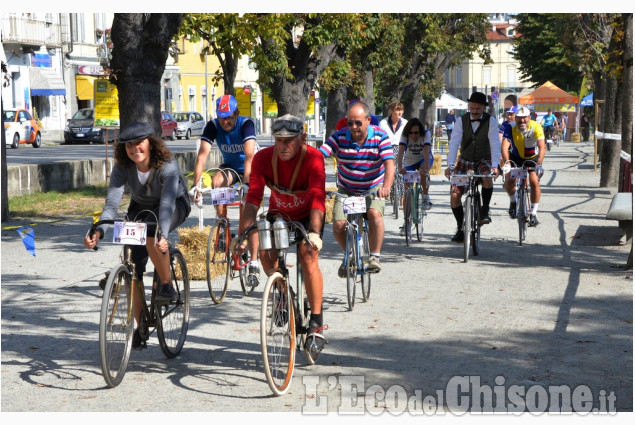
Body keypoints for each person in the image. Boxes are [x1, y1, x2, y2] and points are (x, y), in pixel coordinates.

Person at [84, 121, 191, 348]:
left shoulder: (166, 164)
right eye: (128, 145)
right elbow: (112, 203)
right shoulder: (123, 166)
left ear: (150, 143)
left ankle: (166, 285)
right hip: (141, 205)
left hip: (173, 204)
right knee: (131, 262)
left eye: (139, 143)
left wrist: (163, 232)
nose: (134, 149)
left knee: (152, 234)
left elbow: (167, 202)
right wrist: (99, 230)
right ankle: (141, 324)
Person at [236, 114, 328, 351]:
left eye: (289, 140)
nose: (283, 146)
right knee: (267, 253)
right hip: (281, 214)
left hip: (309, 215)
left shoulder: (314, 158)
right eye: (278, 140)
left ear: (302, 139)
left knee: (308, 255)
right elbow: (253, 197)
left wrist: (315, 232)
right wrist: (243, 235)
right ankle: (281, 291)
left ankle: (316, 322)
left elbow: (318, 195)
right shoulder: (263, 159)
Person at [191, 94, 260, 283]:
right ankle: (223, 225)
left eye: (229, 117)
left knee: (249, 214)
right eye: (222, 117)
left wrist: (246, 184)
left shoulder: (246, 124)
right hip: (230, 168)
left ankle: (253, 261)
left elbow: (249, 157)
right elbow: (202, 157)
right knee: (217, 181)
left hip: (251, 168)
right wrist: (195, 185)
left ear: (236, 113)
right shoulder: (213, 126)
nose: (226, 121)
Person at [320, 100, 394, 273]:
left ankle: (375, 256)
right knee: (338, 225)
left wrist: (387, 187)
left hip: (373, 187)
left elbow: (389, 163)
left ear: (368, 120)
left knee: (374, 214)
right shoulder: (339, 136)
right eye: (350, 122)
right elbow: (320, 154)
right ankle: (350, 255)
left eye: (358, 122)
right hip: (347, 189)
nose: (354, 127)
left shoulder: (380, 136)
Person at [444, 91, 501, 243]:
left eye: (477, 108)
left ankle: (484, 210)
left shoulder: (491, 121)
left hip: (484, 159)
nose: (474, 111)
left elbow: (495, 144)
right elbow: (454, 142)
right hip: (466, 160)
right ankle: (461, 227)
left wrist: (495, 166)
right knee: (454, 196)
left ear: (484, 107)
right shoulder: (461, 121)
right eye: (472, 108)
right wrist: (450, 165)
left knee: (487, 175)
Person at [501, 107, 546, 227]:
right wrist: (507, 164)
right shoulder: (510, 127)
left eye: (524, 118)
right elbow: (504, 147)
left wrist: (539, 164)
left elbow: (542, 147)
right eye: (519, 118)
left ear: (529, 118)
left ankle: (533, 213)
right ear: (515, 118)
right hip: (516, 157)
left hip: (531, 158)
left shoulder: (536, 126)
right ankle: (513, 201)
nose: (522, 121)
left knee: (534, 182)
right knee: (509, 180)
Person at [396, 118, 432, 236]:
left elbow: (426, 151)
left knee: (422, 171)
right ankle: (406, 223)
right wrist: (400, 167)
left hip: (423, 158)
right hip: (410, 160)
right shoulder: (404, 135)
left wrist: (426, 166)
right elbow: (400, 152)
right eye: (411, 133)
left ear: (420, 132)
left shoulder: (426, 134)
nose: (413, 135)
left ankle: (425, 196)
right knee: (407, 189)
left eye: (416, 133)